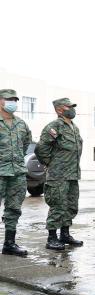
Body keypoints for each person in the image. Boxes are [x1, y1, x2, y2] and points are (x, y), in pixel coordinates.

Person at [35, 98, 83, 250]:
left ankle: (65, 234)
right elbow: (41, 148)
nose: (72, 109)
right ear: (59, 110)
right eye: (69, 107)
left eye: (72, 106)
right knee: (57, 206)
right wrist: (51, 163)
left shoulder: (74, 127)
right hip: (58, 175)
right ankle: (51, 238)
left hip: (72, 174)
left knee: (70, 205)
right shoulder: (54, 126)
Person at [0, 89, 31, 257]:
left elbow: (26, 144)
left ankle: (9, 244)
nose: (13, 102)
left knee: (13, 209)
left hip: (17, 172)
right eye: (9, 99)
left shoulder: (21, 124)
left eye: (15, 99)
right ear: (0, 101)